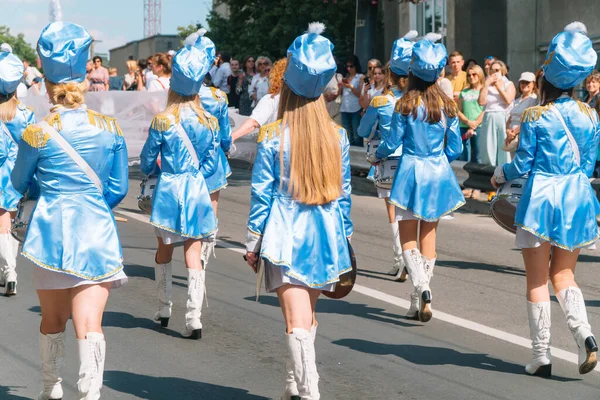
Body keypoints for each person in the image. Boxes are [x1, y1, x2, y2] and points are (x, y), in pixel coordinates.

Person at [12, 21, 129, 399]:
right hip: (96, 233)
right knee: (90, 322)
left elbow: (18, 184)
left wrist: (45, 195)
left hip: (50, 235)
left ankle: (51, 387)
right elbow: (118, 188)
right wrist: (93, 206)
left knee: (52, 320)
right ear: (84, 81)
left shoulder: (37, 132)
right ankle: (90, 393)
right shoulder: (110, 128)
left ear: (46, 86)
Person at [245, 23, 352, 399]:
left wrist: (252, 242)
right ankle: (294, 384)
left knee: (295, 321)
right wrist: (347, 237)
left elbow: (262, 194)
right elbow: (344, 196)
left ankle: (310, 392)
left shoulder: (272, 136)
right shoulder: (337, 136)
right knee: (305, 317)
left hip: (284, 231)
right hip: (325, 234)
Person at [491, 22, 599, 377]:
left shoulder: (536, 115)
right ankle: (585, 334)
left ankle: (542, 356)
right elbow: (587, 165)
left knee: (537, 280)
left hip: (541, 198)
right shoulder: (591, 115)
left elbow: (522, 163)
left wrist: (499, 175)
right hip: (576, 197)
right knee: (565, 275)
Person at [369, 33, 464, 323]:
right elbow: (456, 147)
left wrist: (377, 156)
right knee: (429, 238)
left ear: (412, 72)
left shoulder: (405, 104)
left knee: (408, 238)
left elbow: (392, 141)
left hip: (410, 171)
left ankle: (421, 287)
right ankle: (419, 297)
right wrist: (439, 162)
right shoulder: (448, 106)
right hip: (437, 173)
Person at [140, 39, 218, 340]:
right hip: (197, 189)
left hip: (170, 189)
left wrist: (158, 167)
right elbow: (212, 162)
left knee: (164, 251)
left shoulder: (163, 120)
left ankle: (163, 307)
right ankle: (193, 318)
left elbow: (148, 160)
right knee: (194, 254)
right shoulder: (209, 120)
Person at [358, 30, 417, 282]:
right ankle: (414, 269)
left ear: (390, 75)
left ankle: (401, 259)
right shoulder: (423, 100)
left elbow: (363, 130)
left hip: (390, 161)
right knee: (414, 216)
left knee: (394, 212)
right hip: (419, 164)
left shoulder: (381, 101)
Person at [189, 29, 232, 268]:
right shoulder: (217, 97)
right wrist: (226, 147)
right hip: (212, 160)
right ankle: (203, 258)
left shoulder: (177, 96)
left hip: (183, 159)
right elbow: (225, 136)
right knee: (211, 209)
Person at [0, 46, 36, 296]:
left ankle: (9, 271)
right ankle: (9, 270)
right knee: (10, 220)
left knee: (2, 222)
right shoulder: (26, 114)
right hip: (18, 172)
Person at [231, 58, 287, 141]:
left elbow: (253, 122)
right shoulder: (306, 100)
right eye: (260, 64)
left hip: (276, 146)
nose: (263, 66)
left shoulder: (272, 99)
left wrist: (232, 137)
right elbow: (249, 91)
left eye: (266, 65)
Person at [478, 59, 515, 166]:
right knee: (488, 146)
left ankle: (504, 171)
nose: (494, 72)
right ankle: (489, 169)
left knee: (504, 148)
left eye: (497, 70)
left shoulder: (508, 84)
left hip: (503, 116)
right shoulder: (486, 83)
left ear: (502, 71)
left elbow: (508, 100)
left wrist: (498, 86)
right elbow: (481, 102)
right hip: (489, 115)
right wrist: (486, 85)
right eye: (492, 70)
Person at [504, 72, 538, 157]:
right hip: (512, 137)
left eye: (527, 82)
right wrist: (508, 131)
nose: (524, 84)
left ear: (533, 84)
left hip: (524, 135)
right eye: (522, 82)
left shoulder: (534, 100)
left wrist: (514, 133)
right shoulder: (517, 100)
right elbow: (510, 118)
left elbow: (528, 120)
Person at [457, 64, 485, 165]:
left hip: (480, 127)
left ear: (480, 75)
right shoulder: (464, 91)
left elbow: (485, 110)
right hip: (464, 127)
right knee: (463, 156)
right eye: (469, 75)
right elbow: (458, 110)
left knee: (478, 156)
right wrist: (468, 122)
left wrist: (475, 124)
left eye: (474, 74)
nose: (471, 77)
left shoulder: (484, 90)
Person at [340, 54, 364, 146]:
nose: (349, 68)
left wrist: (350, 87)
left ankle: (358, 155)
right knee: (346, 133)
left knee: (356, 134)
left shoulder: (360, 77)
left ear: (356, 65)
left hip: (356, 108)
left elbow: (361, 94)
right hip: (344, 108)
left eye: (351, 66)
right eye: (347, 66)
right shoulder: (346, 77)